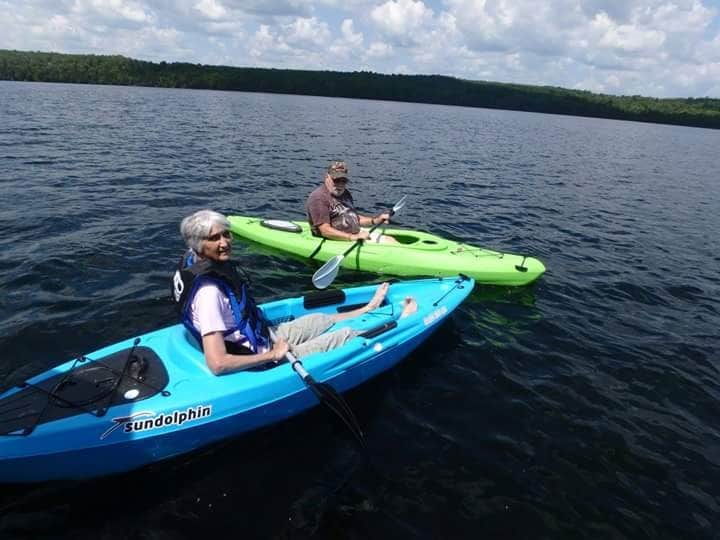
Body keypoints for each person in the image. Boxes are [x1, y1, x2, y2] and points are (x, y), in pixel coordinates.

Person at [173, 209, 416, 375]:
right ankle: (402, 324)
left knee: (320, 319)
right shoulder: (209, 294)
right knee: (344, 335)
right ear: (197, 244)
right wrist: (272, 355)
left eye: (226, 234)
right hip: (261, 356)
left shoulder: (192, 260)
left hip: (261, 335)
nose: (225, 242)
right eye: (214, 238)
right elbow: (218, 363)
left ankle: (367, 308)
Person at [306, 160, 398, 244]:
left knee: (390, 240)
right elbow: (325, 230)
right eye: (336, 180)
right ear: (327, 177)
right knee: (390, 244)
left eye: (343, 181)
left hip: (355, 234)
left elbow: (353, 217)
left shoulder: (345, 193)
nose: (340, 184)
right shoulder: (318, 198)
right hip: (336, 241)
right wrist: (353, 237)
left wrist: (375, 220)